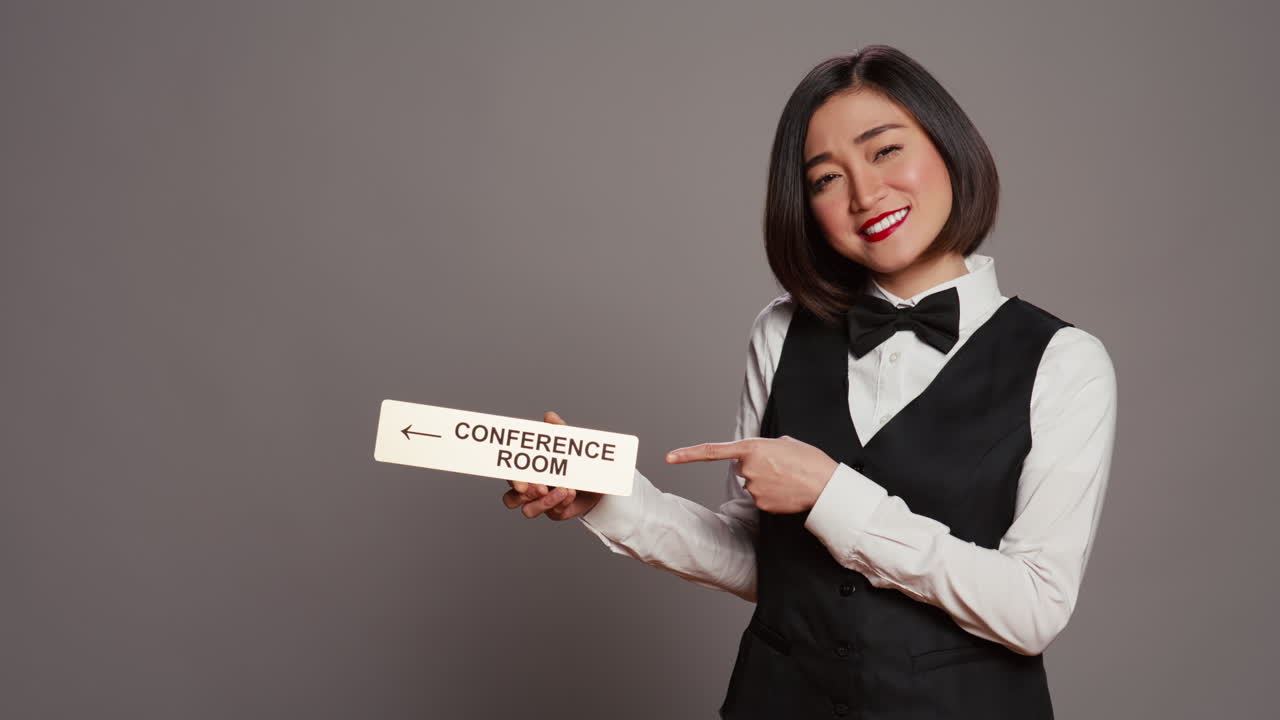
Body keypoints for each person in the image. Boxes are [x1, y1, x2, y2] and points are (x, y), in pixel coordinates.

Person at [502, 44, 1116, 719]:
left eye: (885, 151)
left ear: (949, 148)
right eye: (826, 178)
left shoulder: (1065, 362)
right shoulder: (779, 331)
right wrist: (611, 499)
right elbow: (761, 559)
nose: (865, 194)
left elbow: (1034, 608)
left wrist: (834, 495)